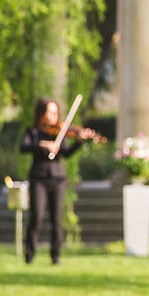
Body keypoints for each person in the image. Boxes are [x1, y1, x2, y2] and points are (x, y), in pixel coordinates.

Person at [20, 97, 102, 264]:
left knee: (56, 219)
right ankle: (29, 255)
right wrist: (43, 145)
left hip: (57, 179)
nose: (54, 116)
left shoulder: (61, 132)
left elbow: (66, 153)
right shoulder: (33, 132)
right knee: (36, 217)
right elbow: (24, 147)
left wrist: (79, 142)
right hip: (39, 178)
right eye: (50, 112)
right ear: (41, 113)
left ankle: (55, 257)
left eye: (56, 112)